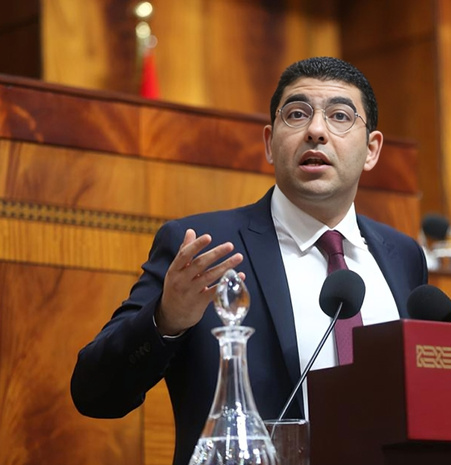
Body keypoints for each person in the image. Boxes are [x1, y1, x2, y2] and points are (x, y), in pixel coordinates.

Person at [71, 56, 427, 465]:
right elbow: (95, 393)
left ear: (372, 149)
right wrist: (166, 320)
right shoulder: (203, 247)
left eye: (340, 116)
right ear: (270, 143)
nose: (316, 131)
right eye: (297, 114)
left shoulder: (403, 256)